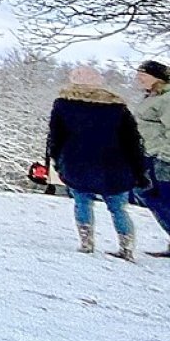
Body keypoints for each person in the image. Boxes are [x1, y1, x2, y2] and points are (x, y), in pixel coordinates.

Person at [47, 65, 151, 262]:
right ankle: (126, 247)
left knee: (82, 202)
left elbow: (55, 137)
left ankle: (86, 243)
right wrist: (138, 169)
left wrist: (57, 161)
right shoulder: (117, 107)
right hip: (114, 164)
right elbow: (132, 140)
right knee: (118, 207)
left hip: (77, 163)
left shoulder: (63, 104)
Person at [134, 58, 170, 257]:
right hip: (148, 153)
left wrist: (165, 156)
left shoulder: (166, 99)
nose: (138, 78)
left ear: (157, 77)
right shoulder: (152, 97)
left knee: (160, 197)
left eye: (143, 75)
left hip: (162, 156)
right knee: (147, 194)